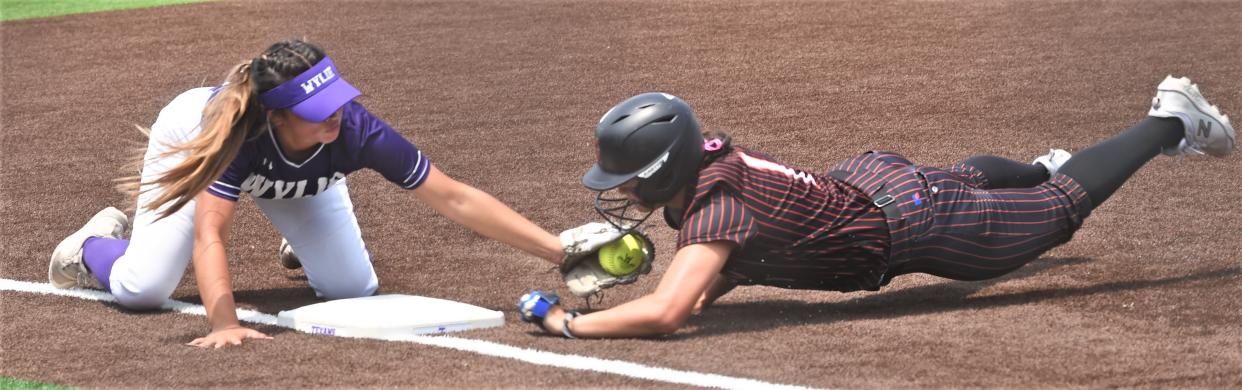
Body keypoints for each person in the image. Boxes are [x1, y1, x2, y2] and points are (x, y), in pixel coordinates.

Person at [517, 76, 1235, 338]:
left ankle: (1171, 119)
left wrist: (573, 324)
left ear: (665, 168)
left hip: (916, 225)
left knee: (1060, 207)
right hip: (872, 180)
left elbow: (671, 314)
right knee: (962, 177)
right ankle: (1030, 168)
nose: (623, 192)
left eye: (630, 178)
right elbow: (709, 282)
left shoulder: (712, 206)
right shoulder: (710, 171)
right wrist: (687, 286)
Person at [48, 39, 621, 348]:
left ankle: (302, 238)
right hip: (193, 139)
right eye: (318, 113)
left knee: (352, 289)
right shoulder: (235, 136)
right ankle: (92, 248)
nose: (335, 119)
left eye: (338, 104)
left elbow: (454, 197)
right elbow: (210, 232)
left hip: (294, 178)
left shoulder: (353, 127)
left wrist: (557, 250)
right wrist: (222, 322)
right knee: (143, 289)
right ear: (276, 117)